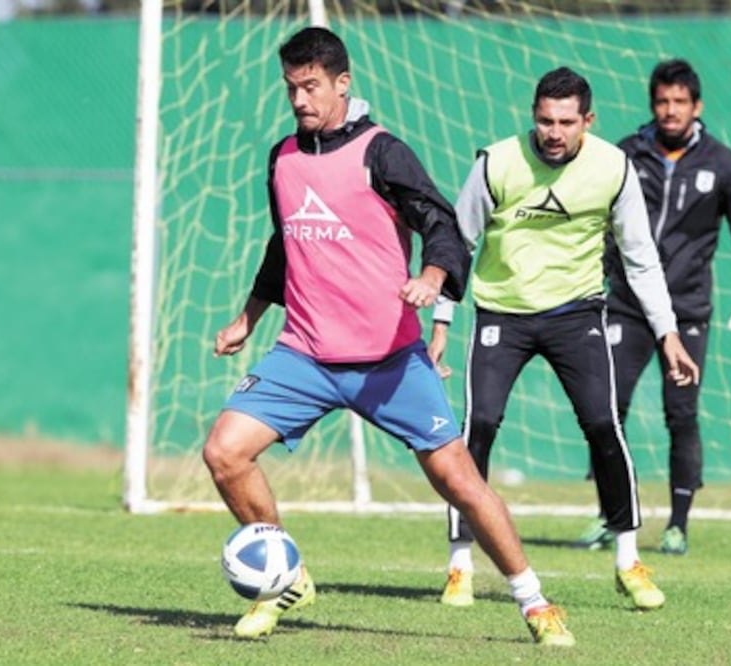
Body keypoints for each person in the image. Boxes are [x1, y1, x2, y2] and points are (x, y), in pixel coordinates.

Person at [202, 27, 574, 647]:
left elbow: (442, 223)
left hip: (388, 360)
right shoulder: (283, 157)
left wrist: (433, 275)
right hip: (304, 353)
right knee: (224, 452)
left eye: (311, 86)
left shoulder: (383, 151)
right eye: (291, 88)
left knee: (457, 478)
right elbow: (284, 244)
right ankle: (284, 579)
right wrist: (249, 317)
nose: (299, 99)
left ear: (343, 83)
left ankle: (534, 601)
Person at [429, 66, 700, 611]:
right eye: (545, 121)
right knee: (476, 427)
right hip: (501, 313)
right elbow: (456, 243)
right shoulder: (496, 164)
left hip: (577, 314)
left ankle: (628, 560)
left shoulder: (613, 168)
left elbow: (641, 259)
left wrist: (668, 334)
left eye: (566, 122)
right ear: (534, 117)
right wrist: (440, 326)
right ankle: (460, 564)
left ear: (587, 121)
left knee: (604, 423)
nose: (554, 132)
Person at [575, 59, 731, 556]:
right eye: (662, 101)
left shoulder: (722, 164)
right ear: (652, 104)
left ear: (696, 106)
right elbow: (593, 216)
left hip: (686, 310)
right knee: (605, 410)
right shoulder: (625, 154)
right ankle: (611, 515)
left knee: (680, 414)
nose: (670, 110)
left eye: (679, 102)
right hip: (625, 304)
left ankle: (678, 525)